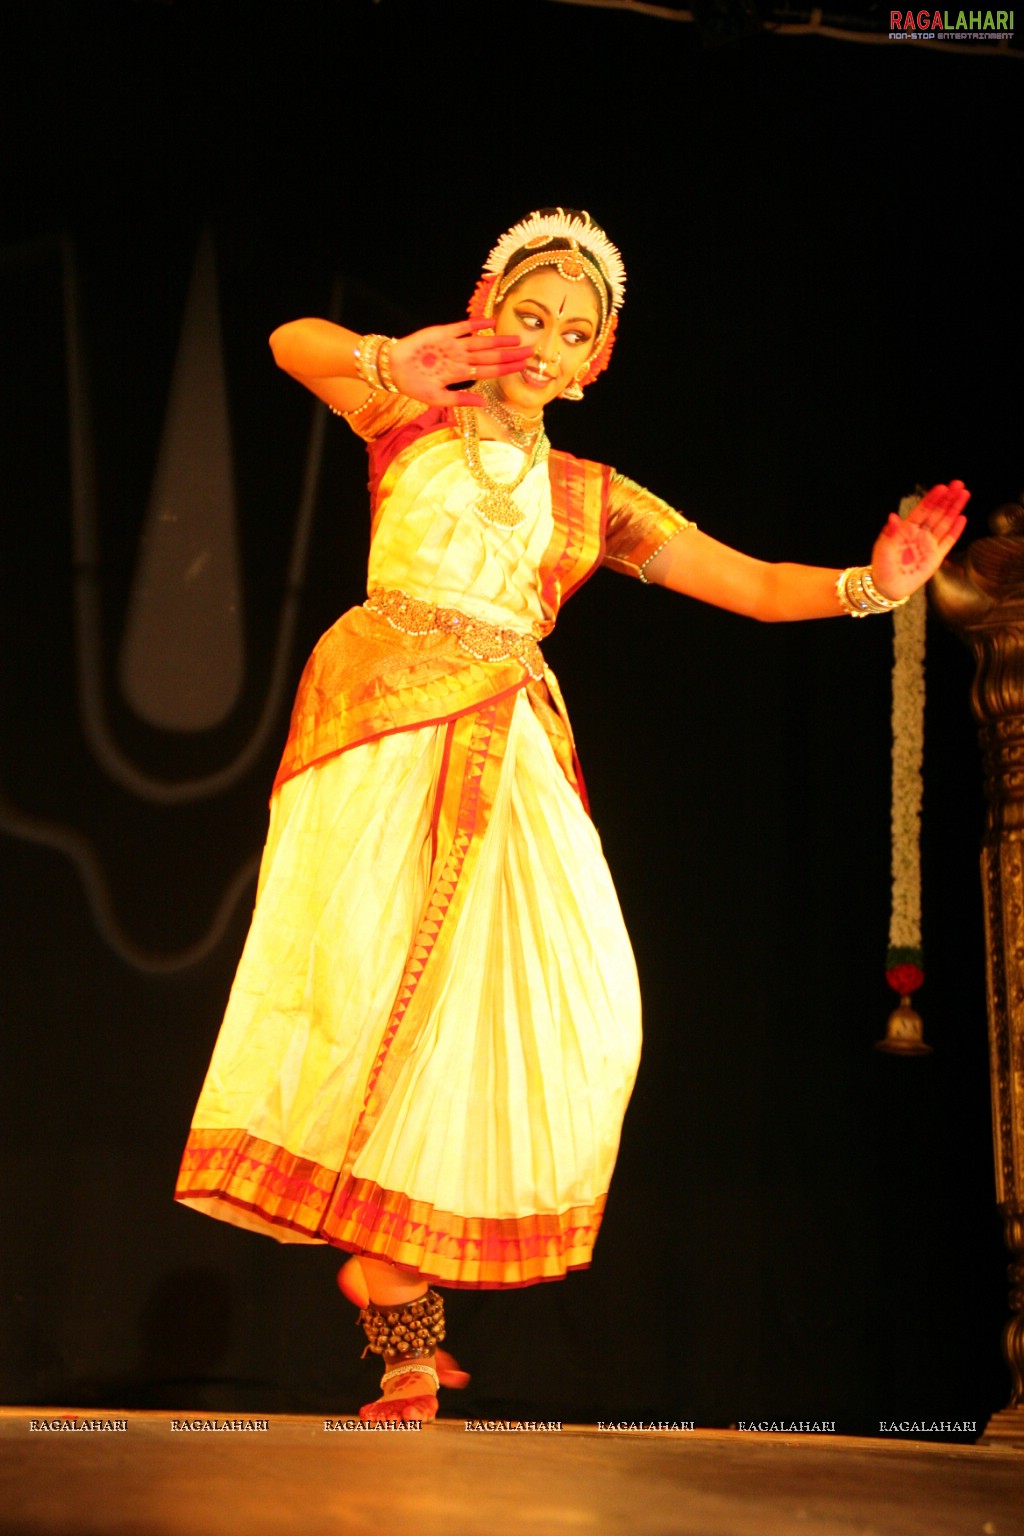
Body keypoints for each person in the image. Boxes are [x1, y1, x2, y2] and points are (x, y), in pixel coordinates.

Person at [175, 209, 969, 1423]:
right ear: (485, 307)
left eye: (572, 331)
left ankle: (393, 1269)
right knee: (369, 987)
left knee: (577, 1007)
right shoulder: (408, 414)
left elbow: (749, 585)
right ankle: (400, 1325)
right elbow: (292, 342)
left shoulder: (590, 496)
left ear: (594, 365)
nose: (544, 341)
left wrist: (876, 586)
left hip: (514, 735)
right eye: (529, 314)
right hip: (386, 712)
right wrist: (397, 360)